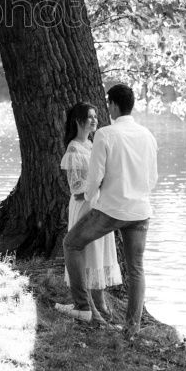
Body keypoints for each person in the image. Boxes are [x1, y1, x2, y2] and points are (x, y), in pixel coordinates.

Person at [56, 83, 158, 338]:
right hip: (140, 210)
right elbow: (153, 179)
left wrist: (91, 198)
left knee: (72, 244)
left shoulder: (105, 134)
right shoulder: (147, 134)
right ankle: (131, 328)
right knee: (136, 268)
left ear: (112, 104)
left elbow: (93, 180)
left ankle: (82, 307)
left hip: (111, 210)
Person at [60, 102, 122, 322]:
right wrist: (97, 184)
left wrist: (100, 184)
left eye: (96, 116)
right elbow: (76, 188)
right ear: (78, 121)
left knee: (99, 251)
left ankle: (100, 302)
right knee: (85, 252)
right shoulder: (74, 148)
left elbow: (96, 178)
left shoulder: (93, 144)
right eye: (90, 117)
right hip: (84, 207)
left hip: (98, 203)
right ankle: (88, 307)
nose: (95, 120)